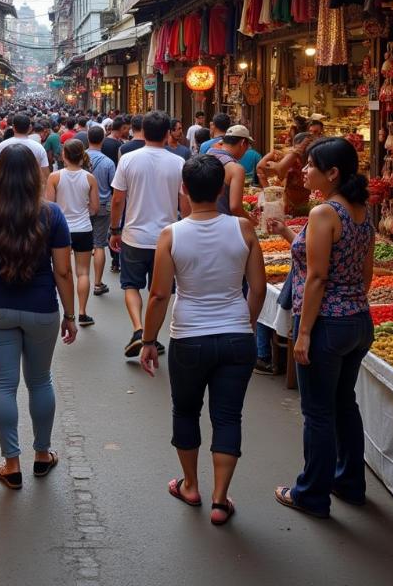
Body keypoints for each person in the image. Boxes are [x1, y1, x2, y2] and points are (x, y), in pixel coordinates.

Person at [140, 155, 266, 526]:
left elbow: (160, 295)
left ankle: (191, 485)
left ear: (184, 189)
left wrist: (148, 340)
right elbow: (257, 287)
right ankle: (220, 498)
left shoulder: (172, 235)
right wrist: (245, 321)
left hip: (189, 337)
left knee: (185, 410)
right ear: (222, 189)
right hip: (235, 336)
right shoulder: (243, 228)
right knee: (227, 416)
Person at [273, 138, 374, 519]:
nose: (303, 170)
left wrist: (304, 333)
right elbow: (364, 276)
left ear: (332, 173)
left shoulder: (324, 213)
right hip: (358, 320)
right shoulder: (361, 211)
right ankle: (349, 482)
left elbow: (316, 277)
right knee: (344, 403)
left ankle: (311, 494)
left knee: (317, 411)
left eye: (311, 165)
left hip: (327, 324)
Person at [0, 145, 77, 490]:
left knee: (1, 385)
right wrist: (71, 314)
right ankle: (42, 455)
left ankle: (12, 464)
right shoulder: (52, 215)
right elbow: (62, 272)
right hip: (42, 309)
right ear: (35, 176)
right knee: (40, 381)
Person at [110, 111, 189, 358]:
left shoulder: (128, 159)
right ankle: (151, 337)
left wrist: (114, 230)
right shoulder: (178, 163)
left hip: (134, 235)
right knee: (161, 291)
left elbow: (117, 200)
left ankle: (139, 329)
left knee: (131, 285)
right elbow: (184, 201)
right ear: (167, 134)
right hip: (166, 238)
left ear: (142, 131)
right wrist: (187, 228)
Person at [46, 139, 99, 327]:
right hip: (83, 228)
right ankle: (83, 312)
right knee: (83, 272)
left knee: (62, 271)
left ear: (64, 156)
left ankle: (66, 311)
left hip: (61, 230)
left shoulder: (55, 177)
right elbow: (95, 208)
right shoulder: (89, 178)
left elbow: (49, 206)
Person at [204, 125, 258, 223]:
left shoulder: (208, 154)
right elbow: (235, 208)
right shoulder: (235, 169)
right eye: (248, 145)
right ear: (242, 143)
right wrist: (253, 222)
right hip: (223, 225)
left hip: (202, 222)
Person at [86, 126, 116, 297]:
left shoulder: (79, 158)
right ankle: (97, 283)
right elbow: (114, 186)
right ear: (102, 140)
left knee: (81, 245)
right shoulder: (108, 162)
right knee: (99, 244)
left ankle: (81, 278)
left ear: (88, 138)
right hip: (103, 206)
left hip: (83, 206)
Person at [257, 132, 313, 216]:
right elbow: (260, 168)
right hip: (290, 205)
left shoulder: (312, 159)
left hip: (309, 204)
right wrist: (268, 191)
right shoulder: (289, 156)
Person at [0, 113, 50, 180]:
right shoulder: (39, 148)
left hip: (7, 186)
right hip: (31, 186)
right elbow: (45, 174)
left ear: (13, 127)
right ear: (30, 128)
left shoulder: (2, 146)